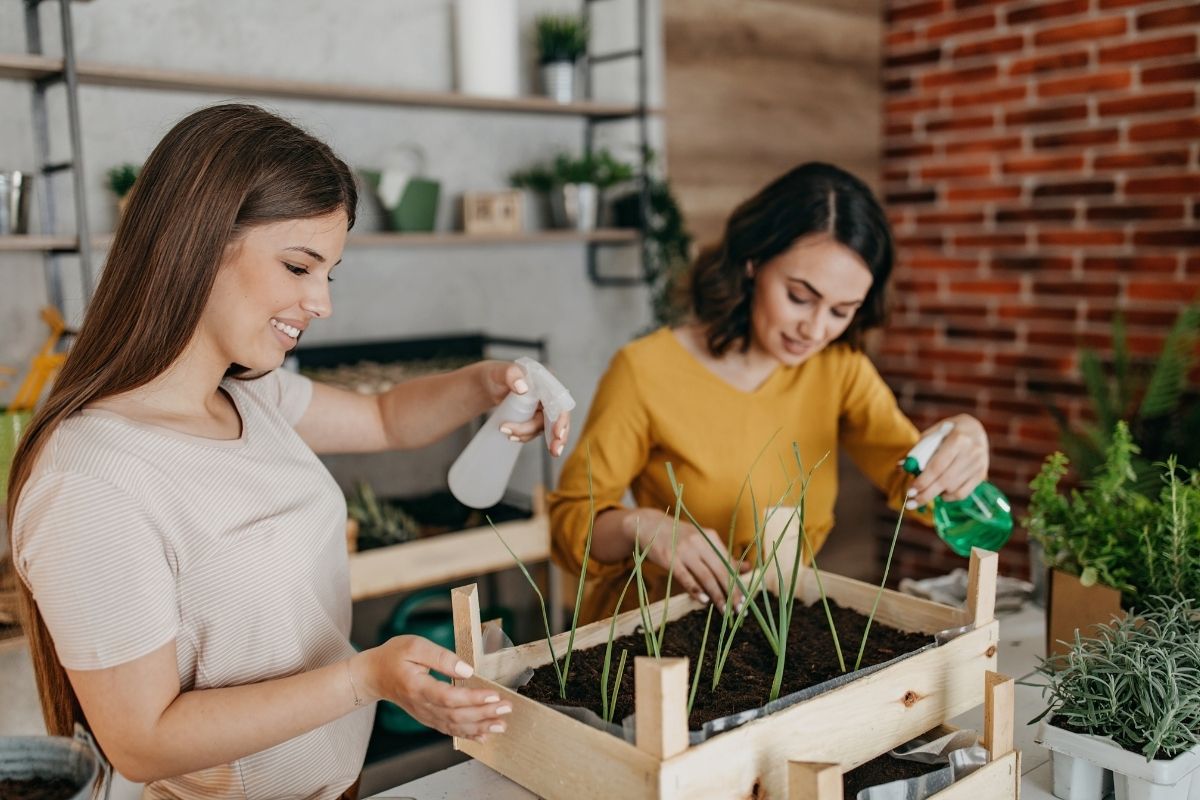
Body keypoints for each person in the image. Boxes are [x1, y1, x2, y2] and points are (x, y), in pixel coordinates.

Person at [6, 104, 569, 799]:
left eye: (330, 272)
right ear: (196, 242)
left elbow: (386, 419)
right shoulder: (91, 479)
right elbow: (141, 739)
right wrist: (368, 678)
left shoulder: (251, 398)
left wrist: (490, 382)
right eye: (300, 266)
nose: (321, 301)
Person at [548, 162, 991, 624]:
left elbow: (920, 487)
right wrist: (644, 525)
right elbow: (569, 526)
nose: (816, 329)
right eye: (800, 297)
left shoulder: (841, 370)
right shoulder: (644, 370)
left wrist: (963, 443)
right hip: (655, 632)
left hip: (772, 628)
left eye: (842, 311)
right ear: (753, 262)